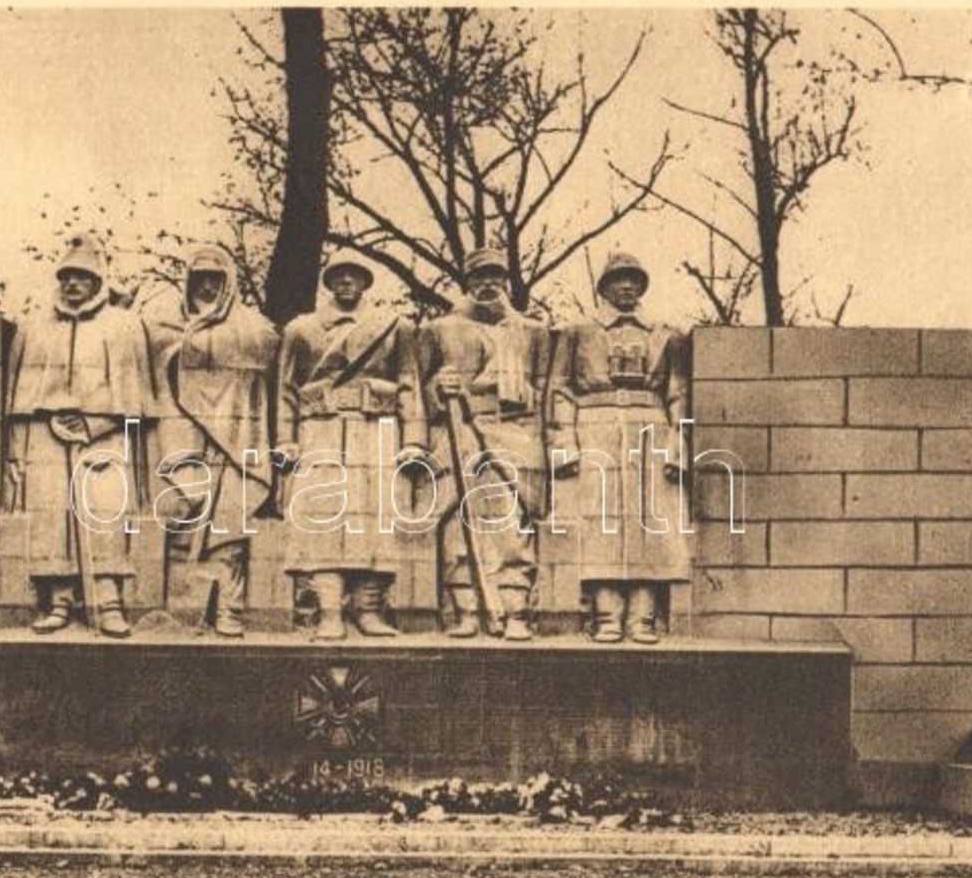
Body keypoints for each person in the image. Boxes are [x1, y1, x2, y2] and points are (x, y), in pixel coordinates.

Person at [3, 236, 155, 638]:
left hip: (105, 434)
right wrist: (41, 425)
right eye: (67, 276)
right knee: (53, 514)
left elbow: (135, 396)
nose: (73, 284)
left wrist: (94, 424)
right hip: (46, 433)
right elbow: (19, 394)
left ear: (97, 281)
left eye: (82, 277)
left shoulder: (123, 326)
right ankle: (60, 601)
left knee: (105, 511)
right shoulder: (35, 326)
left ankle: (108, 603)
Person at [276, 254, 429, 640]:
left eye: (354, 276)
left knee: (373, 520)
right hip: (320, 430)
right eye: (338, 276)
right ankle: (329, 612)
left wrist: (413, 439)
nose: (346, 281)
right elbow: (285, 390)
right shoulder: (301, 329)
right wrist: (285, 439)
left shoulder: (395, 327)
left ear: (365, 282)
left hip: (376, 429)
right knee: (322, 520)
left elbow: (409, 382)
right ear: (328, 282)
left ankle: (368, 610)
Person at [547, 251, 691, 643]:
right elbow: (559, 390)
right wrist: (563, 442)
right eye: (618, 279)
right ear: (605, 286)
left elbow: (678, 394)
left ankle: (642, 618)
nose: (626, 286)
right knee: (600, 522)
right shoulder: (578, 330)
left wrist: (679, 443)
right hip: (594, 426)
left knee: (651, 523)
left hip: (651, 428)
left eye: (634, 279)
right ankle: (606, 615)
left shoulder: (667, 333)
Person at [144, 245, 279, 638]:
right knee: (184, 516)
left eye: (214, 279)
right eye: (199, 278)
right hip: (185, 438)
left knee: (229, 529)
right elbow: (156, 366)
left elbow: (263, 365)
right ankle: (185, 611)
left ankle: (229, 611)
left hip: (236, 443)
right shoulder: (165, 327)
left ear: (229, 283)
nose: (206, 287)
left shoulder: (254, 328)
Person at [419, 247, 551, 641]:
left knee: (512, 526)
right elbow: (416, 386)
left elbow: (545, 390)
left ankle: (515, 611)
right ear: (467, 282)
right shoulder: (440, 329)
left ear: (507, 282)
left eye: (496, 276)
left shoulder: (533, 331)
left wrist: (545, 442)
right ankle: (465, 611)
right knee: (459, 525)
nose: (488, 284)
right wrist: (437, 390)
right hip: (459, 430)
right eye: (479, 277)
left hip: (515, 432)